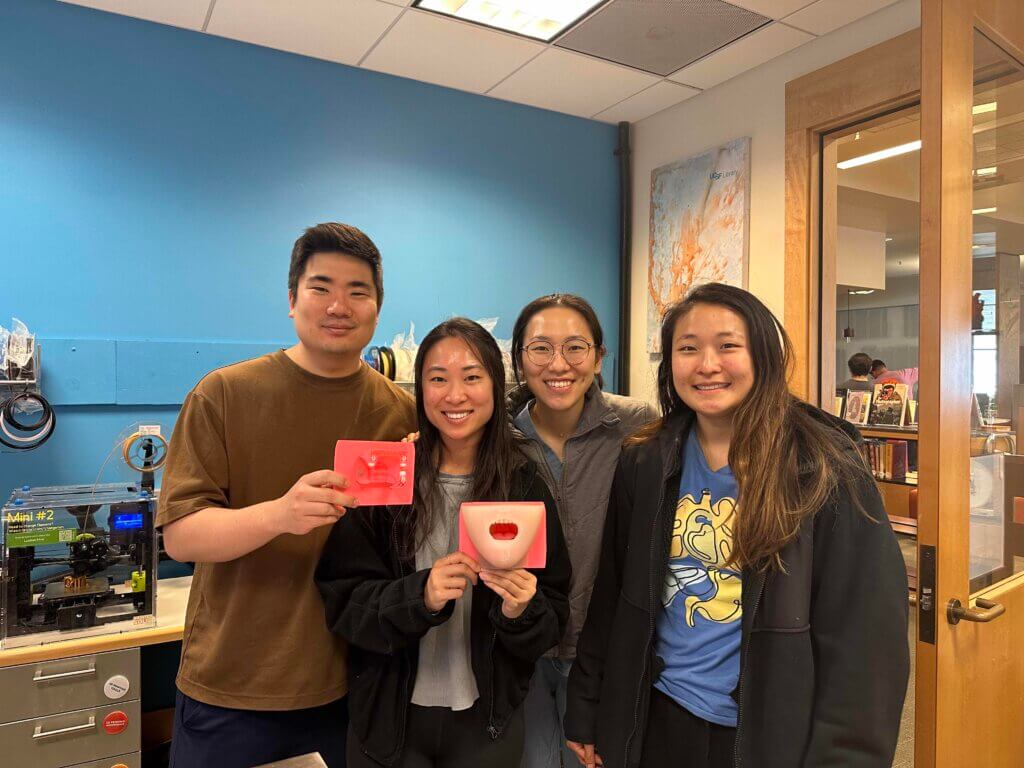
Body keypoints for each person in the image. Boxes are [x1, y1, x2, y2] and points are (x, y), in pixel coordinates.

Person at [564, 283, 909, 768]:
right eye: (688, 348)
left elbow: (866, 643)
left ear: (763, 354)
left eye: (728, 345)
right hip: (657, 718)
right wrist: (588, 706)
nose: (707, 365)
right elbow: (614, 597)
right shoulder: (646, 459)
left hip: (766, 732)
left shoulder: (822, 465)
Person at [158, 223, 416, 768]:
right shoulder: (224, 394)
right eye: (321, 287)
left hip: (351, 684)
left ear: (377, 306)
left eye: (358, 291)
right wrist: (280, 514)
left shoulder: (401, 412)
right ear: (292, 298)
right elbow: (181, 536)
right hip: (235, 688)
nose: (339, 305)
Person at [315, 317, 571, 768]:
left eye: (472, 377)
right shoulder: (386, 479)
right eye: (438, 379)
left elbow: (552, 611)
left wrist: (521, 611)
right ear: (420, 389)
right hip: (389, 719)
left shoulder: (523, 482)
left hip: (487, 721)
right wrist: (422, 595)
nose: (455, 395)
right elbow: (343, 601)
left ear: (496, 385)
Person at [507, 294, 655, 768]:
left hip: (606, 655)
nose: (559, 364)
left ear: (598, 357)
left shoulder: (638, 426)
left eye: (575, 347)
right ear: (519, 359)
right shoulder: (500, 439)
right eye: (540, 348)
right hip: (523, 651)